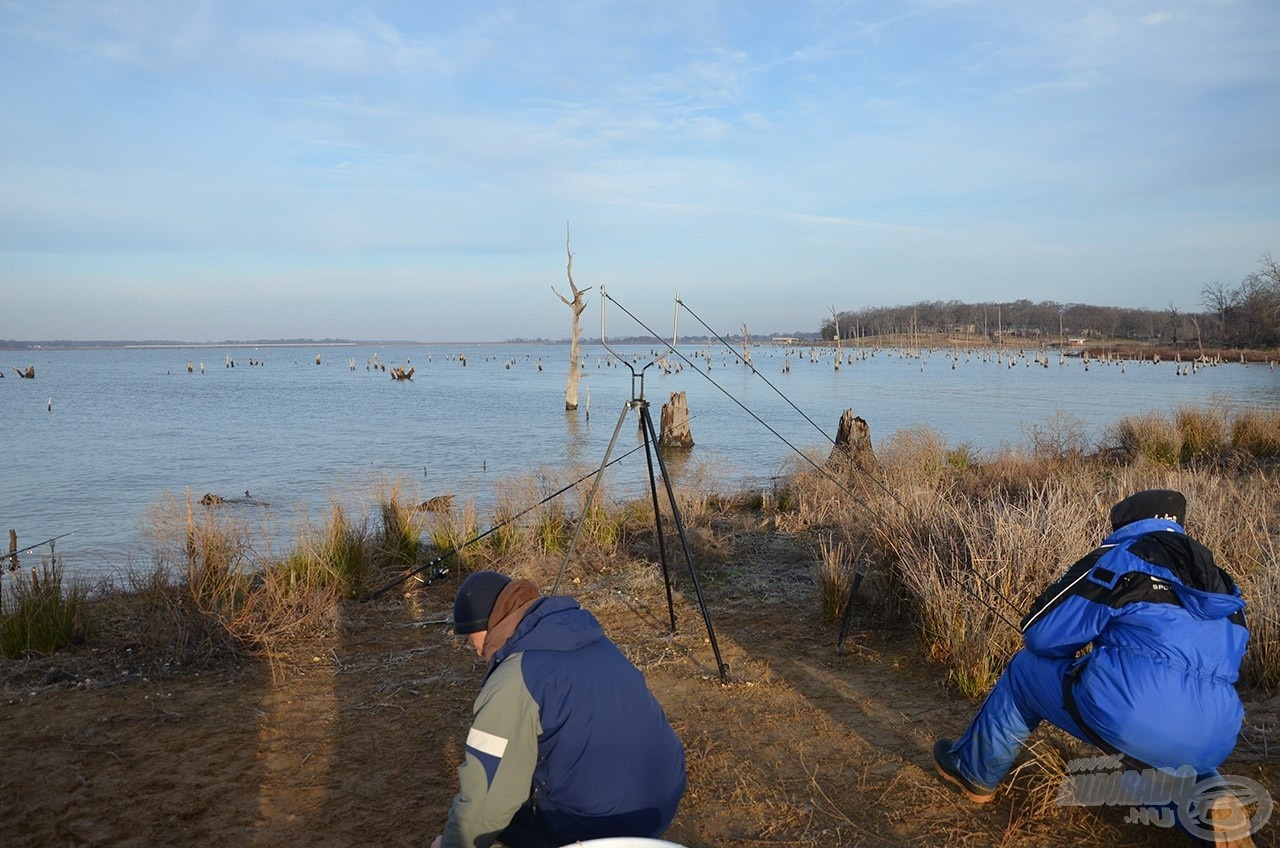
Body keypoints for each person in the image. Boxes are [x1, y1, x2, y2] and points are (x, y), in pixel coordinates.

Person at [932, 489, 1251, 839]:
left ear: (1126, 522)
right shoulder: (1220, 582)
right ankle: (1211, 806)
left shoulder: (1121, 557)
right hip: (1217, 735)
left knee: (1026, 670)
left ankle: (975, 772)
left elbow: (1041, 635)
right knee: (1156, 760)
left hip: (1132, 712)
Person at [430, 570, 687, 848]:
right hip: (661, 798)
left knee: (498, 816)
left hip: (604, 824)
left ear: (486, 626)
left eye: (470, 640)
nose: (476, 651)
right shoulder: (584, 634)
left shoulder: (514, 678)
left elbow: (487, 800)